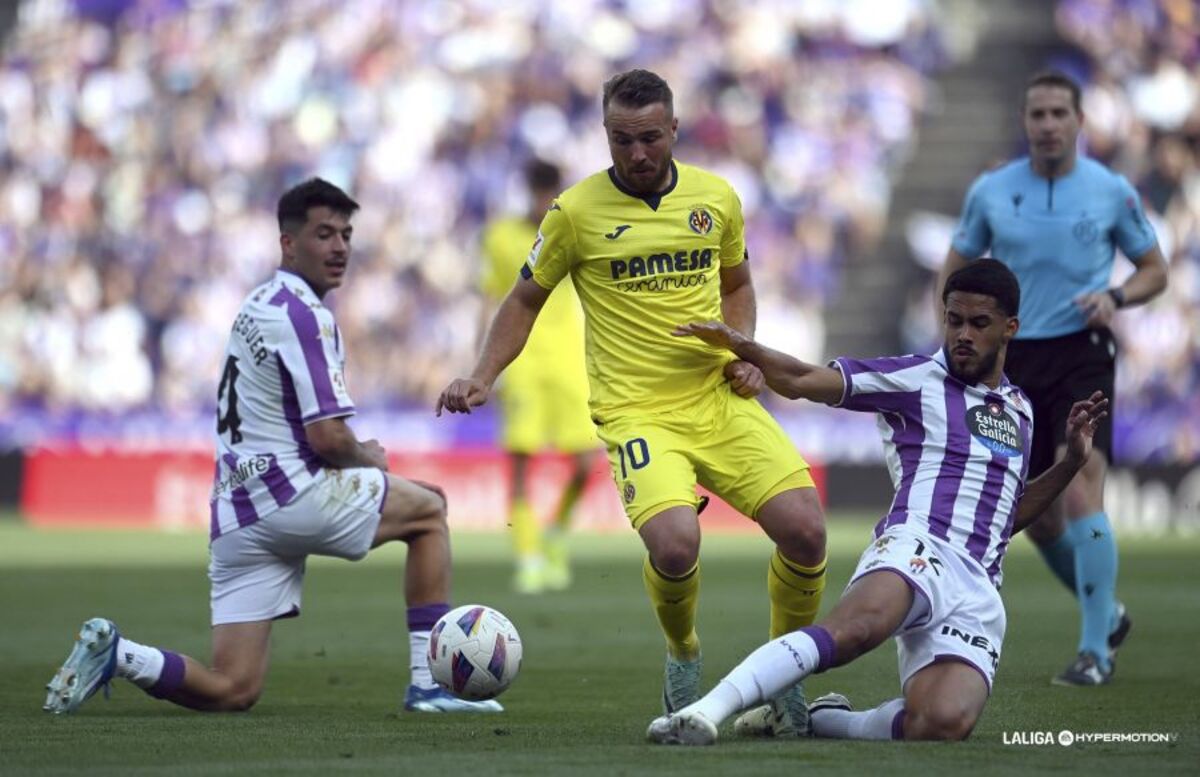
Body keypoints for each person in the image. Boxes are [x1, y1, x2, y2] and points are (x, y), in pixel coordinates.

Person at [437, 69, 828, 734]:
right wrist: (483, 374)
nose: (639, 153)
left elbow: (738, 284)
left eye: (651, 138)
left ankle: (782, 679)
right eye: (623, 140)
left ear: (674, 130)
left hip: (716, 397)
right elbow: (523, 298)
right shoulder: (575, 213)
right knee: (676, 546)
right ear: (606, 136)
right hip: (636, 410)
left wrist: (743, 350)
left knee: (807, 531)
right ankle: (683, 653)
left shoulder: (717, 199)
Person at [44, 178, 501, 715]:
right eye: (324, 234)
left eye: (346, 235)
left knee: (233, 688)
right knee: (430, 511)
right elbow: (327, 437)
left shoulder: (256, 304)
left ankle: (120, 655)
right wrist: (367, 456)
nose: (339, 248)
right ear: (288, 243)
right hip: (289, 494)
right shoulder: (305, 315)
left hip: (236, 515)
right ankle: (430, 686)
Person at [647, 259, 1109, 745]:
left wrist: (1070, 465)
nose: (963, 335)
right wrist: (744, 346)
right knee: (855, 631)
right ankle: (702, 713)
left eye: (979, 324)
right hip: (919, 547)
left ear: (1010, 328)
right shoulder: (914, 379)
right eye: (954, 321)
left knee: (941, 723)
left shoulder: (1021, 410)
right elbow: (804, 379)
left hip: (978, 586)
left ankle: (823, 720)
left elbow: (1004, 517)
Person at [935, 70, 1168, 686]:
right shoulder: (991, 192)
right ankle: (1108, 611)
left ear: (1079, 121)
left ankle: (1095, 651)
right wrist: (955, 328)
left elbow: (1155, 270)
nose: (1047, 125)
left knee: (1080, 488)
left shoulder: (1110, 191)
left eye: (1058, 114)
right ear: (1025, 122)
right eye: (1036, 115)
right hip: (1013, 359)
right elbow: (957, 263)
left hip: (1082, 350)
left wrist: (1116, 295)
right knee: (1034, 516)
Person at [478, 159, 597, 594]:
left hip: (570, 359)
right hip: (521, 361)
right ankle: (528, 558)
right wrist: (483, 369)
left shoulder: (573, 230)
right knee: (522, 463)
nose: (542, 199)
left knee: (586, 465)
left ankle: (557, 531)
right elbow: (491, 300)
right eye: (537, 190)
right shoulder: (500, 237)